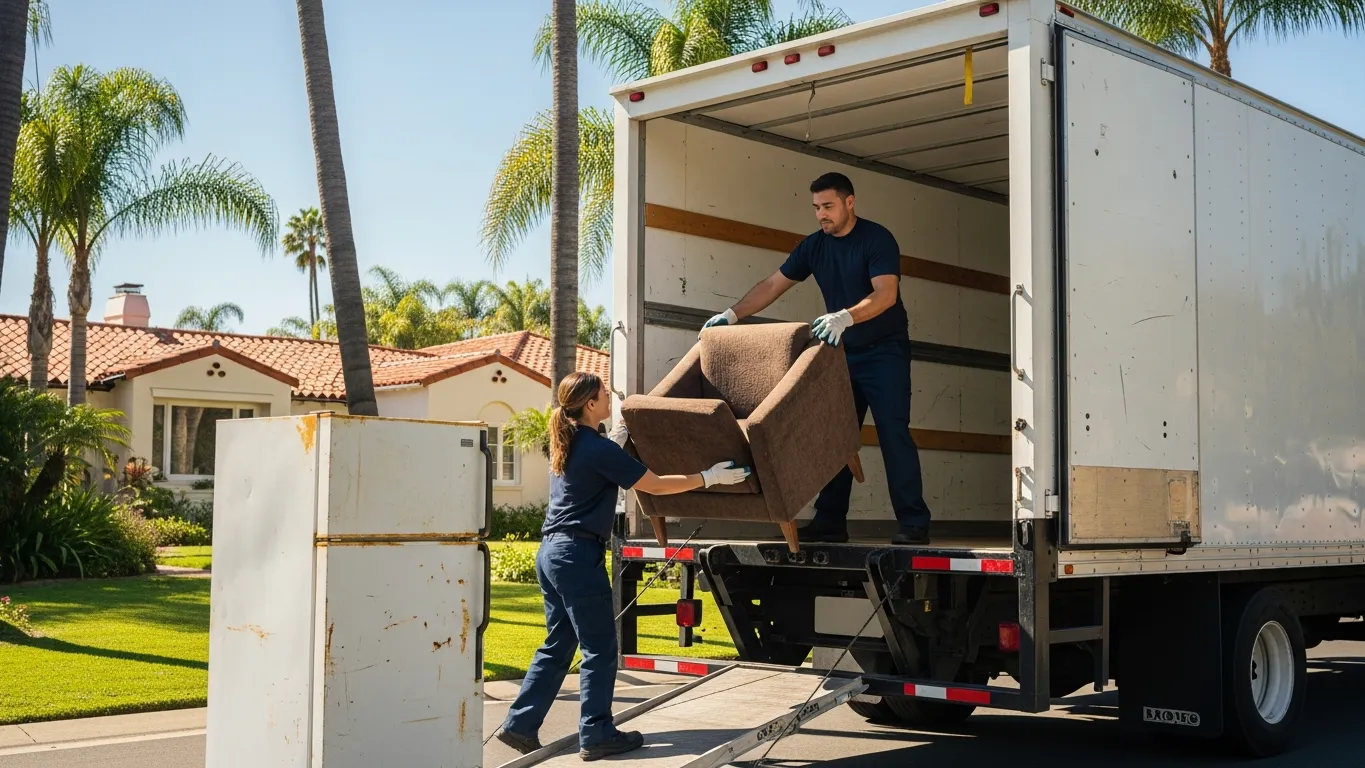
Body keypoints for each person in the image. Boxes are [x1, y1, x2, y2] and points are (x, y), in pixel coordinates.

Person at [493, 371, 751, 761]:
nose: (610, 399)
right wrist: (709, 477)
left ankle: (520, 725)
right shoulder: (596, 449)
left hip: (552, 553)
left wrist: (613, 440)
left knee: (559, 642)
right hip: (576, 557)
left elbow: (598, 467)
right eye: (604, 394)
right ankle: (596, 733)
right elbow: (655, 484)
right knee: (600, 648)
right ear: (590, 404)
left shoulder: (571, 442)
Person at [700, 171, 933, 546]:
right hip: (840, 355)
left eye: (828, 206)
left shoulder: (877, 239)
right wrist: (732, 314)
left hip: (884, 353)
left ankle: (914, 522)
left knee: (893, 436)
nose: (821, 215)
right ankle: (830, 522)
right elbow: (773, 284)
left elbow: (886, 294)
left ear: (849, 202)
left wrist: (846, 316)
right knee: (834, 438)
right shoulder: (814, 247)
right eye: (816, 208)